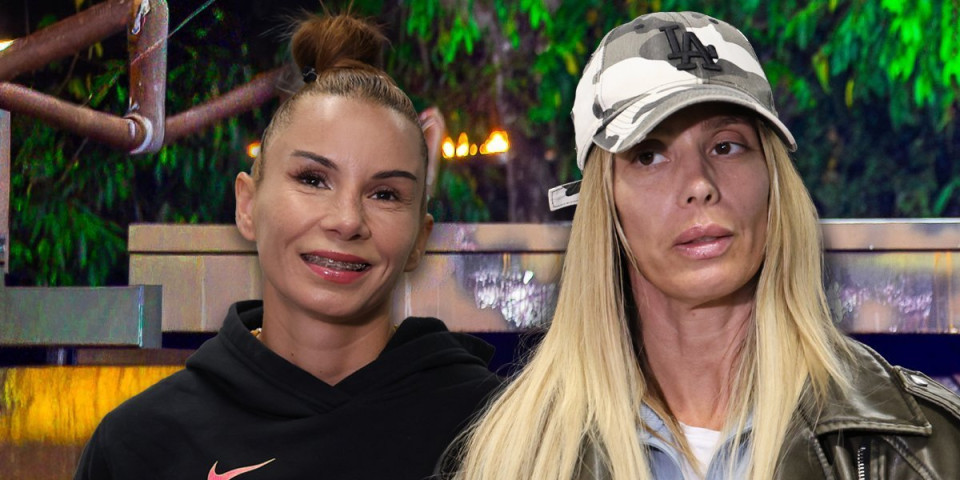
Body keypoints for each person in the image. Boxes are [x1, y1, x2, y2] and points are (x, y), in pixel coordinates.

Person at [450, 11, 960, 480]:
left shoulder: (919, 445)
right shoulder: (519, 452)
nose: (698, 183)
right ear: (605, 204)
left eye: (726, 146)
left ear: (773, 182)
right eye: (648, 155)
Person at [75, 13, 500, 480]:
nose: (347, 221)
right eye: (313, 179)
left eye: (385, 194)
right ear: (247, 205)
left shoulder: (492, 430)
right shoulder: (140, 444)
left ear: (420, 238)